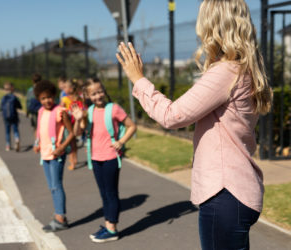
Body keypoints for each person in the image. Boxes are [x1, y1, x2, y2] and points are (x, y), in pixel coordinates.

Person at [116, 0, 272, 249]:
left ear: (213, 25)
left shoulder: (226, 73)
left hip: (225, 193)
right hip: (236, 193)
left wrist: (138, 79)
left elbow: (171, 115)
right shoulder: (245, 70)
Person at [72, 78, 136, 243]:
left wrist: (121, 142)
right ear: (87, 95)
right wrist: (78, 118)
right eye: (93, 93)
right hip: (95, 158)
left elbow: (132, 126)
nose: (98, 95)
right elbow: (77, 133)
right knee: (103, 194)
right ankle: (108, 225)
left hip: (110, 158)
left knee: (111, 193)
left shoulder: (113, 109)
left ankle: (112, 229)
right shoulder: (89, 111)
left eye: (100, 91)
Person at [33, 80, 75, 232]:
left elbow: (72, 133)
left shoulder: (60, 111)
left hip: (57, 154)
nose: (47, 101)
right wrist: (37, 143)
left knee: (56, 186)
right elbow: (39, 129)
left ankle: (60, 218)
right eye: (43, 98)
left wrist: (62, 147)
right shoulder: (40, 112)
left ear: (54, 96)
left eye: (49, 97)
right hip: (44, 154)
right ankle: (58, 215)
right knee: (52, 187)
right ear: (39, 99)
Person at [60, 78, 85, 170]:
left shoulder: (75, 99)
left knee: (72, 143)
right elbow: (61, 111)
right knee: (72, 143)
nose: (64, 89)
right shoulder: (67, 99)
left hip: (75, 124)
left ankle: (73, 161)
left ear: (71, 88)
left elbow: (83, 109)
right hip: (69, 124)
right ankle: (73, 160)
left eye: (65, 87)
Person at [0, 82, 23, 152]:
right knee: (15, 130)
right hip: (14, 116)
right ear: (12, 89)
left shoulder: (3, 98)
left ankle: (8, 145)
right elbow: (20, 106)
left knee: (7, 131)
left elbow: (0, 108)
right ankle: (17, 139)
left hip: (6, 117)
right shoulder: (14, 97)